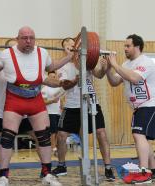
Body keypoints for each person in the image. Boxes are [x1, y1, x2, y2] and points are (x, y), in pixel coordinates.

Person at [0, 26, 73, 186]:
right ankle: (3, 177)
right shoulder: (7, 54)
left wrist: (70, 56)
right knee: (6, 137)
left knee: (44, 136)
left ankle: (47, 174)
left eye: (31, 38)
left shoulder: (42, 52)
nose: (28, 41)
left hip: (35, 100)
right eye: (24, 38)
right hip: (14, 101)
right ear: (18, 39)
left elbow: (52, 67)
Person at [52, 37, 115, 182]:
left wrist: (105, 67)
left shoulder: (88, 62)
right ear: (65, 50)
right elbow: (65, 86)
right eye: (68, 47)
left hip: (91, 102)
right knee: (61, 135)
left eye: (74, 45)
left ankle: (107, 167)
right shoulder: (63, 66)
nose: (73, 48)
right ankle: (61, 165)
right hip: (72, 105)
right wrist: (76, 80)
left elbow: (99, 74)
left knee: (101, 133)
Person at [105, 34, 155, 184]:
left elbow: (134, 78)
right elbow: (114, 82)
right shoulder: (126, 64)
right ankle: (152, 171)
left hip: (150, 104)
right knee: (143, 138)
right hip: (139, 107)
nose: (125, 49)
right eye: (124, 46)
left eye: (128, 46)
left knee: (138, 135)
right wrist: (108, 69)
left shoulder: (147, 62)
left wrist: (115, 65)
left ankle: (144, 172)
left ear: (137, 46)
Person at [41, 71, 65, 154]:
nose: (53, 78)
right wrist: (52, 101)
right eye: (51, 77)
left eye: (54, 77)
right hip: (50, 113)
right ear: (48, 78)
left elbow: (61, 99)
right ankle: (53, 148)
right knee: (52, 132)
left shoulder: (58, 88)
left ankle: (56, 147)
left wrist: (62, 106)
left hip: (58, 113)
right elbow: (43, 102)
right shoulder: (44, 89)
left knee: (58, 131)